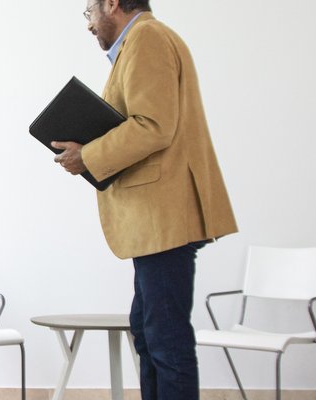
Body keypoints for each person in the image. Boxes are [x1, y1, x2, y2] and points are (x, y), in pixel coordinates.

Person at [51, 1, 239, 399]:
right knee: (150, 333)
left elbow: (152, 126)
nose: (89, 26)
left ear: (113, 4)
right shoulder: (143, 39)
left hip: (164, 215)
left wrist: (87, 156)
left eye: (90, 13)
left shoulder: (147, 37)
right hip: (157, 218)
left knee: (165, 339)